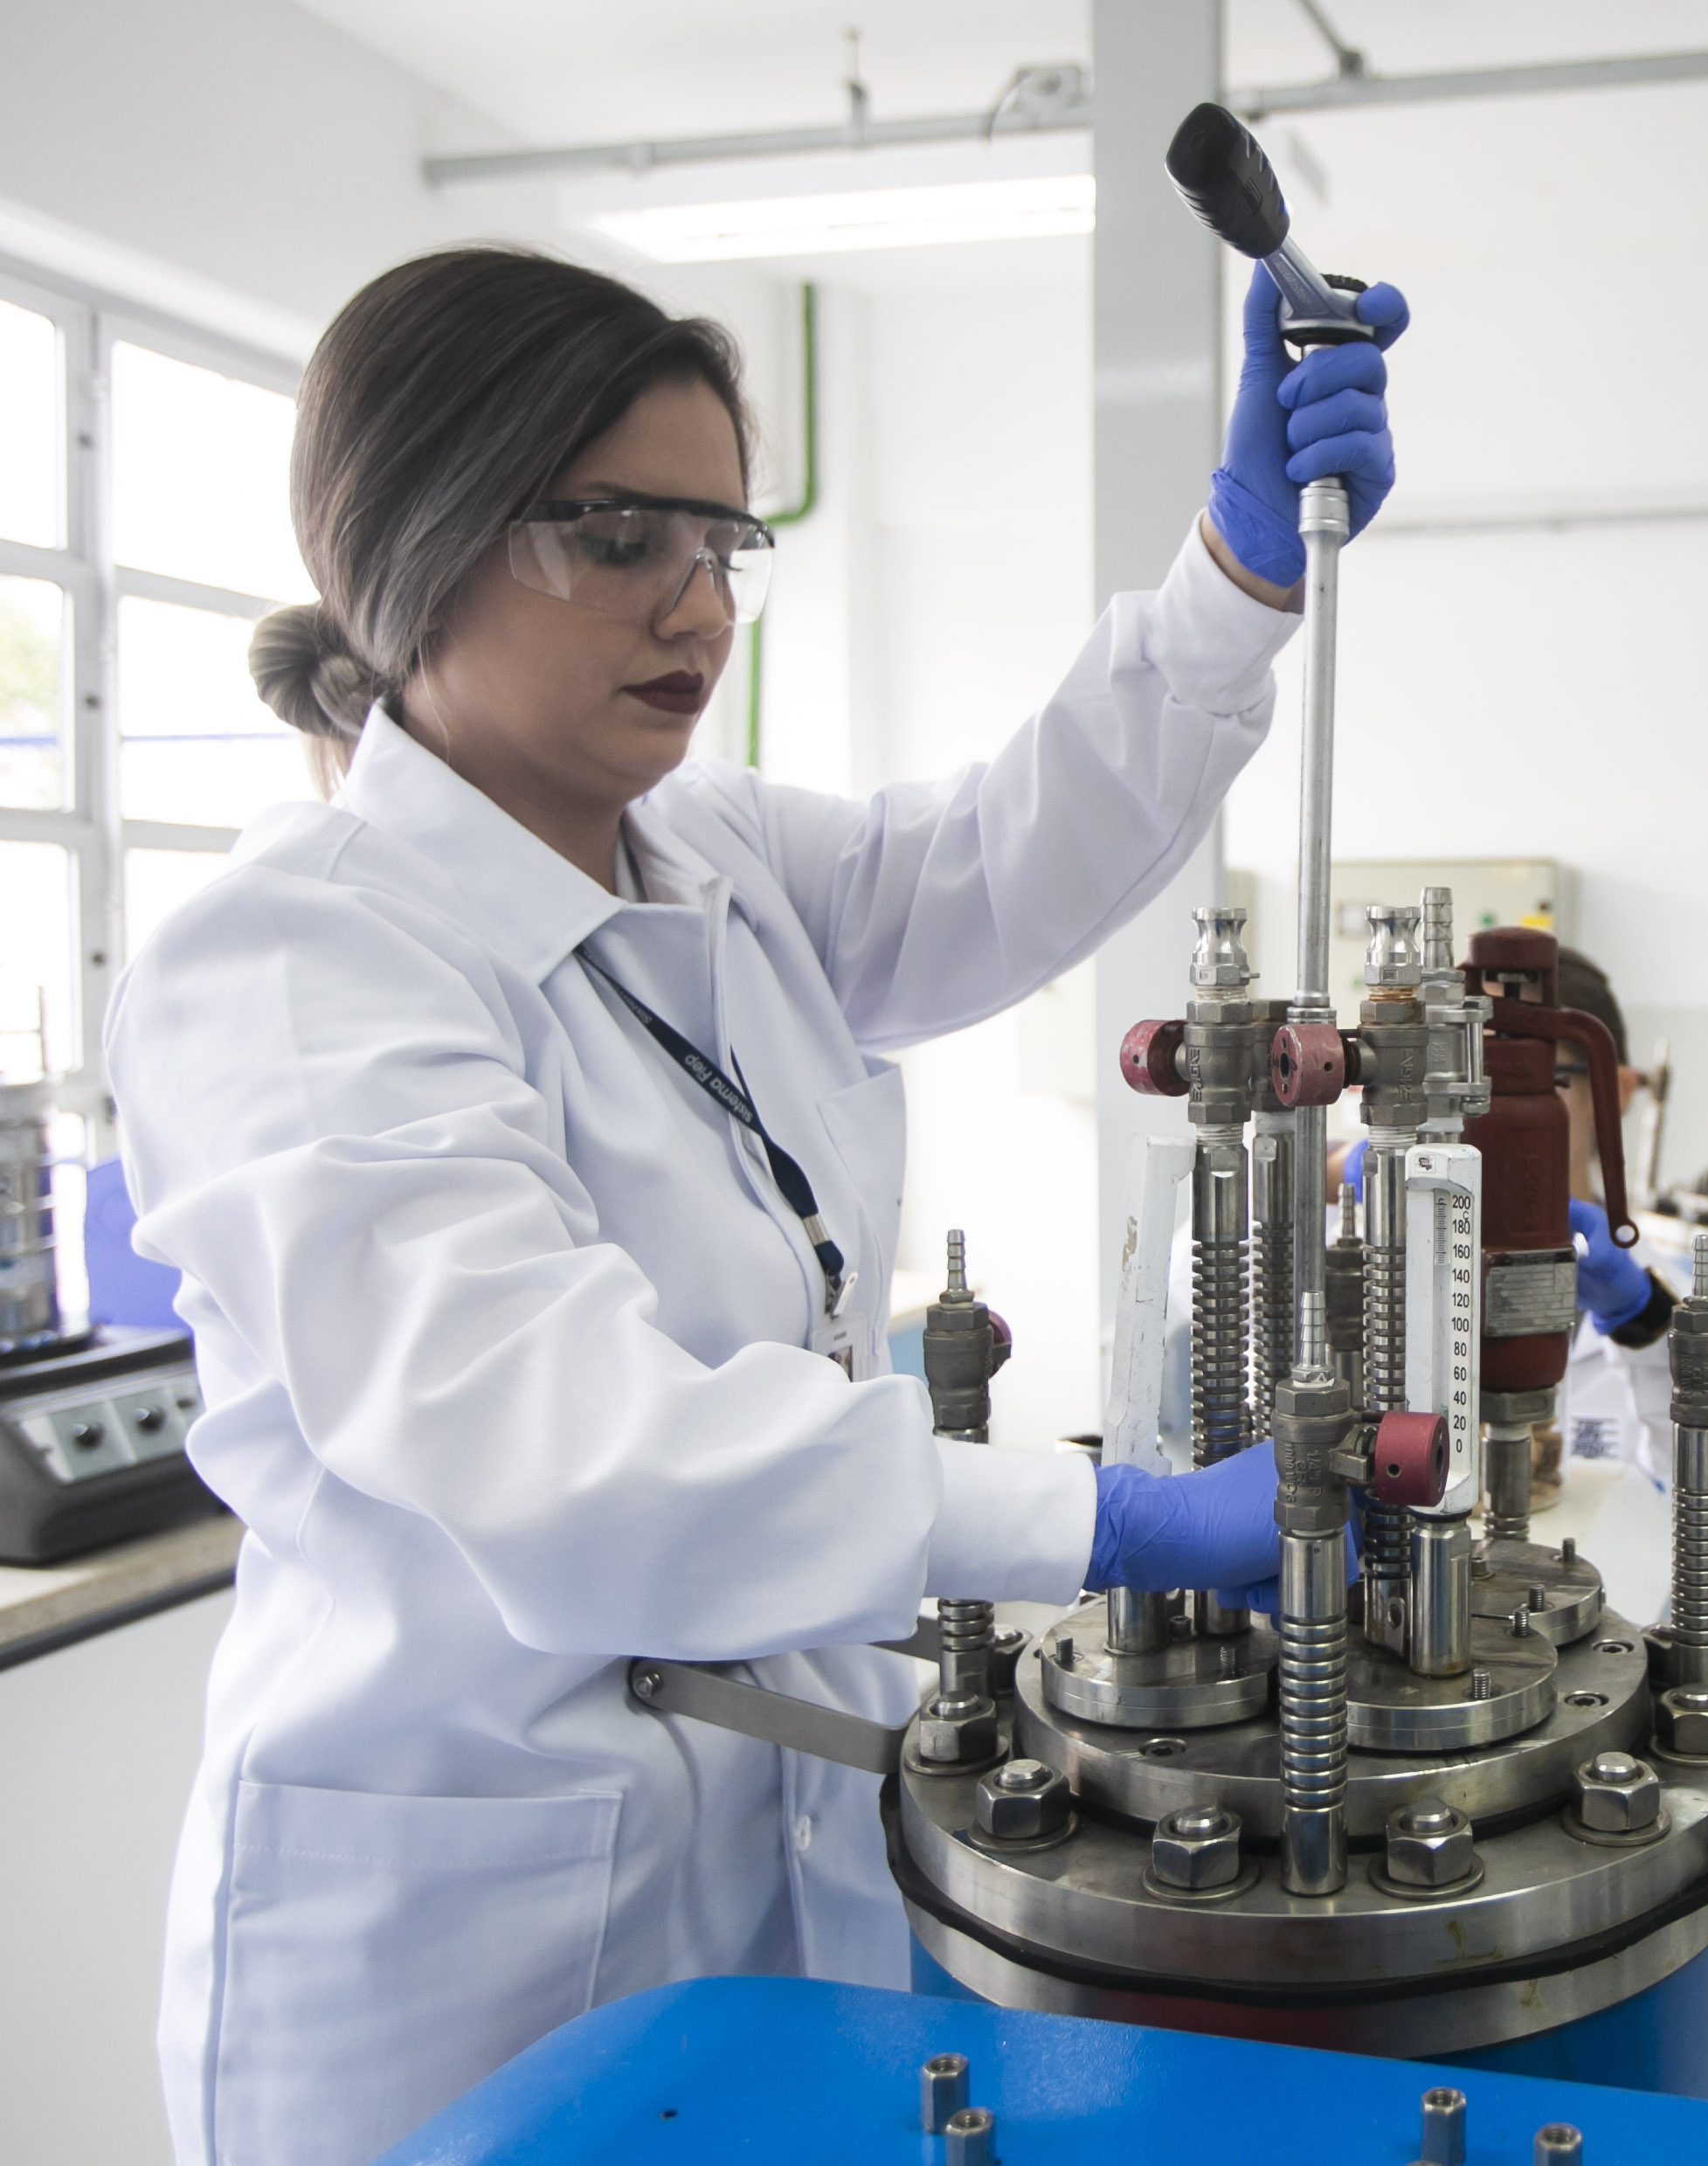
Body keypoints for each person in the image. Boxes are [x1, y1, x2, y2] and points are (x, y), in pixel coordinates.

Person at [106, 246, 1407, 2165]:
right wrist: (1103, 1521)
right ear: (415, 538)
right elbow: (577, 1452)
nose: (696, 606)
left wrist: (1232, 582)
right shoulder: (297, 958)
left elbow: (995, 861)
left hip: (776, 1860)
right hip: (456, 1950)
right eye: (617, 535)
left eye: (720, 540)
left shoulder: (711, 854)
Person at [1553, 950, 1708, 1592]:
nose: (1497, 1116)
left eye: (1542, 1081)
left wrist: (1651, 1336)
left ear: (1613, 1093)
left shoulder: (1686, 1310)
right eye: (1474, 1080)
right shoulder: (1387, 1290)